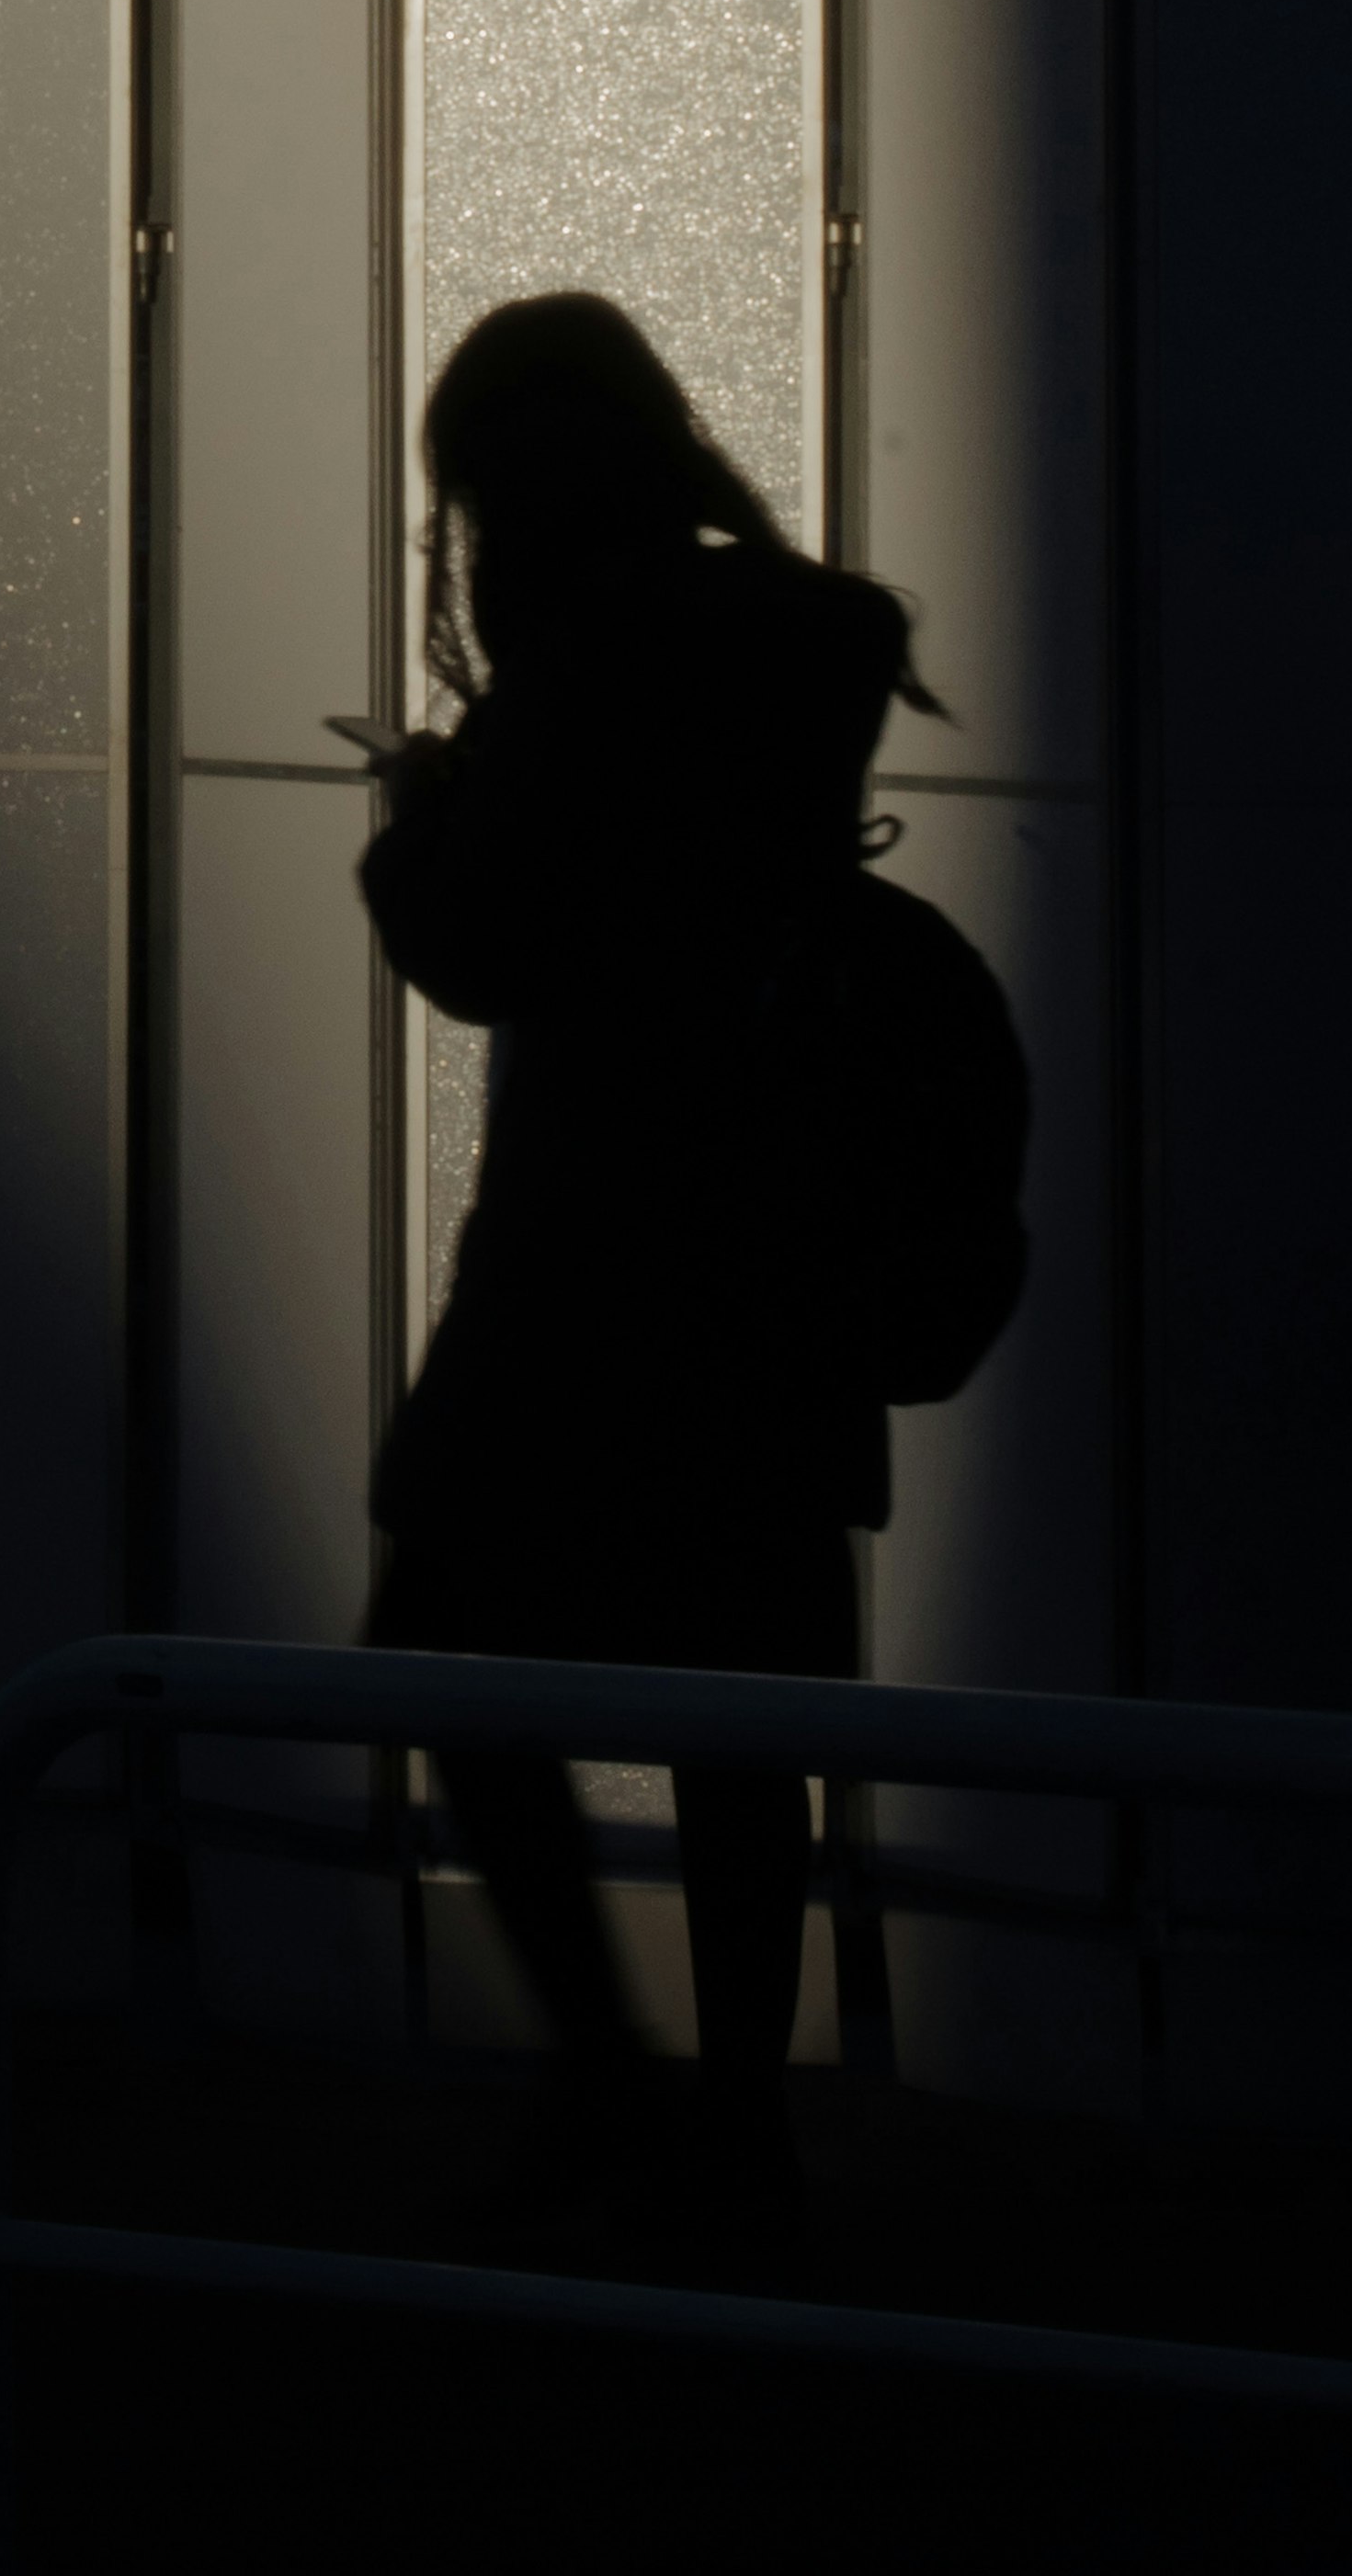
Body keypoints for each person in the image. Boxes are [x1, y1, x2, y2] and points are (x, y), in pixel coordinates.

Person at [357, 291, 937, 2260]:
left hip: (586, 1238)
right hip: (781, 1228)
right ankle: (743, 2123)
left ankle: (613, 2072)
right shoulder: (809, 639)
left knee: (435, 1622)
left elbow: (477, 945)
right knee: (746, 1695)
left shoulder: (578, 673)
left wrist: (418, 813)